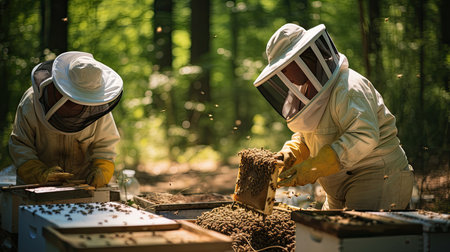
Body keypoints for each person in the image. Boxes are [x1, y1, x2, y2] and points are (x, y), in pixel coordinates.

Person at [253, 23, 414, 210]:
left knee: (354, 237)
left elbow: (364, 136)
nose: (283, 75)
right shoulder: (306, 92)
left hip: (377, 175)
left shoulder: (348, 87)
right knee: (322, 234)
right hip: (337, 185)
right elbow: (307, 134)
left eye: (285, 67)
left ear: (304, 59)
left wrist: (316, 166)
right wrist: (290, 154)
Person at [9, 51, 123, 188]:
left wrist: (102, 169)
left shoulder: (97, 106)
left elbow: (105, 144)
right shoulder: (31, 102)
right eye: (74, 101)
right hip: (36, 187)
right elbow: (20, 144)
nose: (78, 107)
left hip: (82, 186)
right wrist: (37, 172)